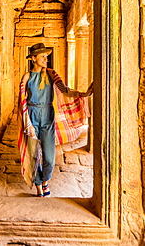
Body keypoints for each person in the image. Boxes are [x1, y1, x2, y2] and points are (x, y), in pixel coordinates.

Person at [17, 43, 93, 197]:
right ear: (33, 58)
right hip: (31, 115)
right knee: (33, 154)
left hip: (47, 116)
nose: (46, 59)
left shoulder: (51, 74)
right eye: (42, 56)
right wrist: (28, 124)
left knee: (49, 157)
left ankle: (45, 180)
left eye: (46, 56)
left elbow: (65, 90)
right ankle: (39, 184)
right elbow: (22, 101)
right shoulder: (27, 76)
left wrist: (83, 94)